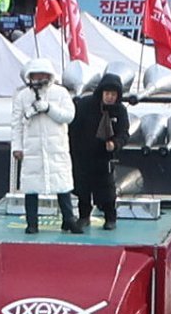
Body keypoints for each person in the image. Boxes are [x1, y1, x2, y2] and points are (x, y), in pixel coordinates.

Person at [10, 57, 79, 235]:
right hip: (32, 149)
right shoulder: (22, 96)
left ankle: (68, 219)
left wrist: (48, 108)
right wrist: (17, 147)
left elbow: (69, 116)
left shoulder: (61, 93)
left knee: (62, 184)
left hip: (56, 147)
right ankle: (31, 222)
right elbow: (16, 123)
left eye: (42, 74)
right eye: (35, 74)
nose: (39, 78)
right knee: (31, 186)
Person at [70, 73, 129, 231]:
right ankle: (84, 217)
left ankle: (110, 218)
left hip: (105, 158)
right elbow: (73, 128)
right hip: (83, 156)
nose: (110, 97)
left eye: (113, 94)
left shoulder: (120, 111)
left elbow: (124, 134)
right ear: (101, 93)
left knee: (107, 191)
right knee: (82, 189)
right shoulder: (85, 105)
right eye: (107, 93)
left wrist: (115, 144)